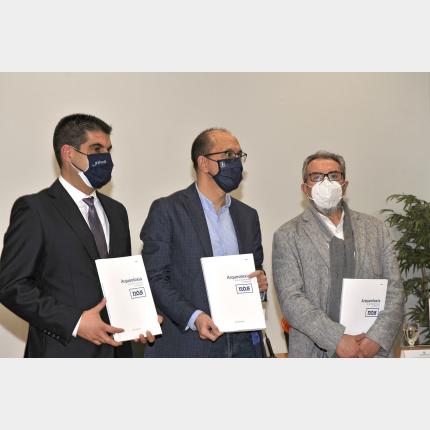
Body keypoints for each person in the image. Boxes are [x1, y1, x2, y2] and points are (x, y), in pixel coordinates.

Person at [0, 113, 154, 357]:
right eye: (96, 149)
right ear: (68, 153)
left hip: (118, 351)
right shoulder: (35, 209)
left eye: (108, 150)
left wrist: (139, 319)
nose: (106, 158)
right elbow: (11, 285)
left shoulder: (117, 211)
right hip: (63, 353)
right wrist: (75, 322)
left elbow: (120, 280)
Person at [140, 128, 268, 357]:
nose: (236, 162)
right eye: (228, 154)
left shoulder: (248, 216)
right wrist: (194, 316)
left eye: (239, 155)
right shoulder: (168, 210)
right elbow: (154, 277)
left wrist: (260, 285)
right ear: (203, 163)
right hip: (188, 344)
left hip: (243, 345)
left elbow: (256, 268)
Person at [272, 150, 404, 358]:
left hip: (373, 352)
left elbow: (395, 290)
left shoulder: (376, 229)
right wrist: (337, 339)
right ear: (305, 188)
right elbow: (291, 300)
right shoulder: (287, 235)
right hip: (314, 354)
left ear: (344, 184)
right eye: (317, 177)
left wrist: (376, 339)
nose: (326, 183)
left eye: (334, 176)